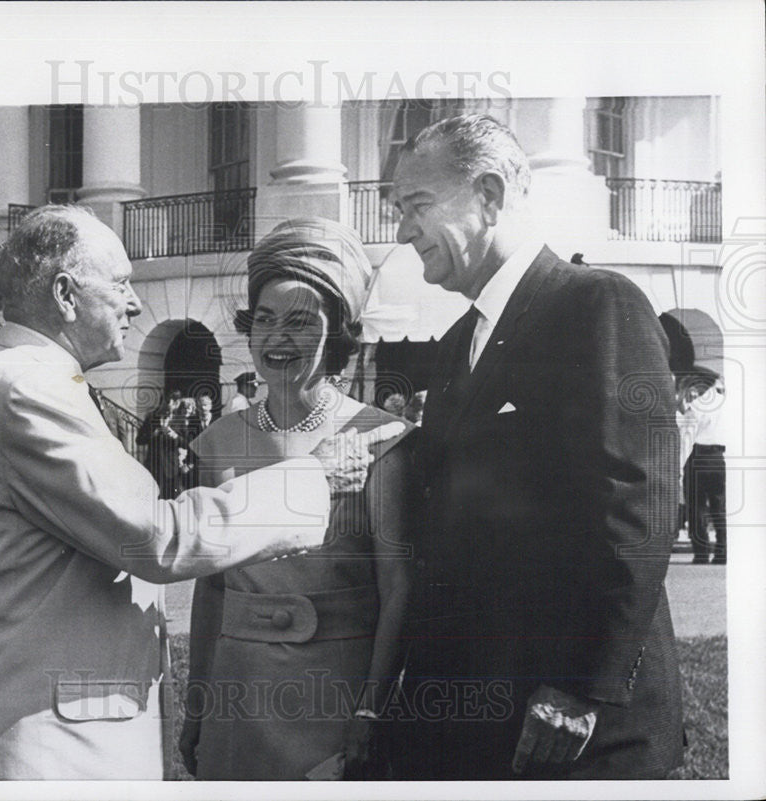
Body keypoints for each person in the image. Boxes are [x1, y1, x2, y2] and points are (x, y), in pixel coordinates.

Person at [0, 205, 402, 779]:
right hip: (47, 743)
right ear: (65, 294)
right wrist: (316, 476)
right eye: (122, 284)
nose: (133, 302)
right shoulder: (27, 389)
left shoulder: (35, 380)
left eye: (300, 321)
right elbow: (159, 540)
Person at [391, 115, 683, 779]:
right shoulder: (454, 343)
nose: (404, 230)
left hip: (575, 729)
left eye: (417, 206)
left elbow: (638, 508)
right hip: (475, 719)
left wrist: (581, 685)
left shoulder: (597, 305)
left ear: (489, 195)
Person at [179, 218, 413, 781]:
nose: (277, 338)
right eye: (264, 320)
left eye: (301, 323)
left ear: (337, 336)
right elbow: (211, 590)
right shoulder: (216, 442)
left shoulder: (380, 437)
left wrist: (371, 709)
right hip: (238, 693)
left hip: (336, 694)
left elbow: (398, 588)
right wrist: (197, 704)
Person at [677, 366, 727, 564]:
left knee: (696, 508)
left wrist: (680, 467)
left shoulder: (697, 406)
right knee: (719, 506)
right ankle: (723, 552)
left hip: (698, 456)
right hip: (719, 457)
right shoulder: (726, 403)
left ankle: (701, 552)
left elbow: (686, 436)